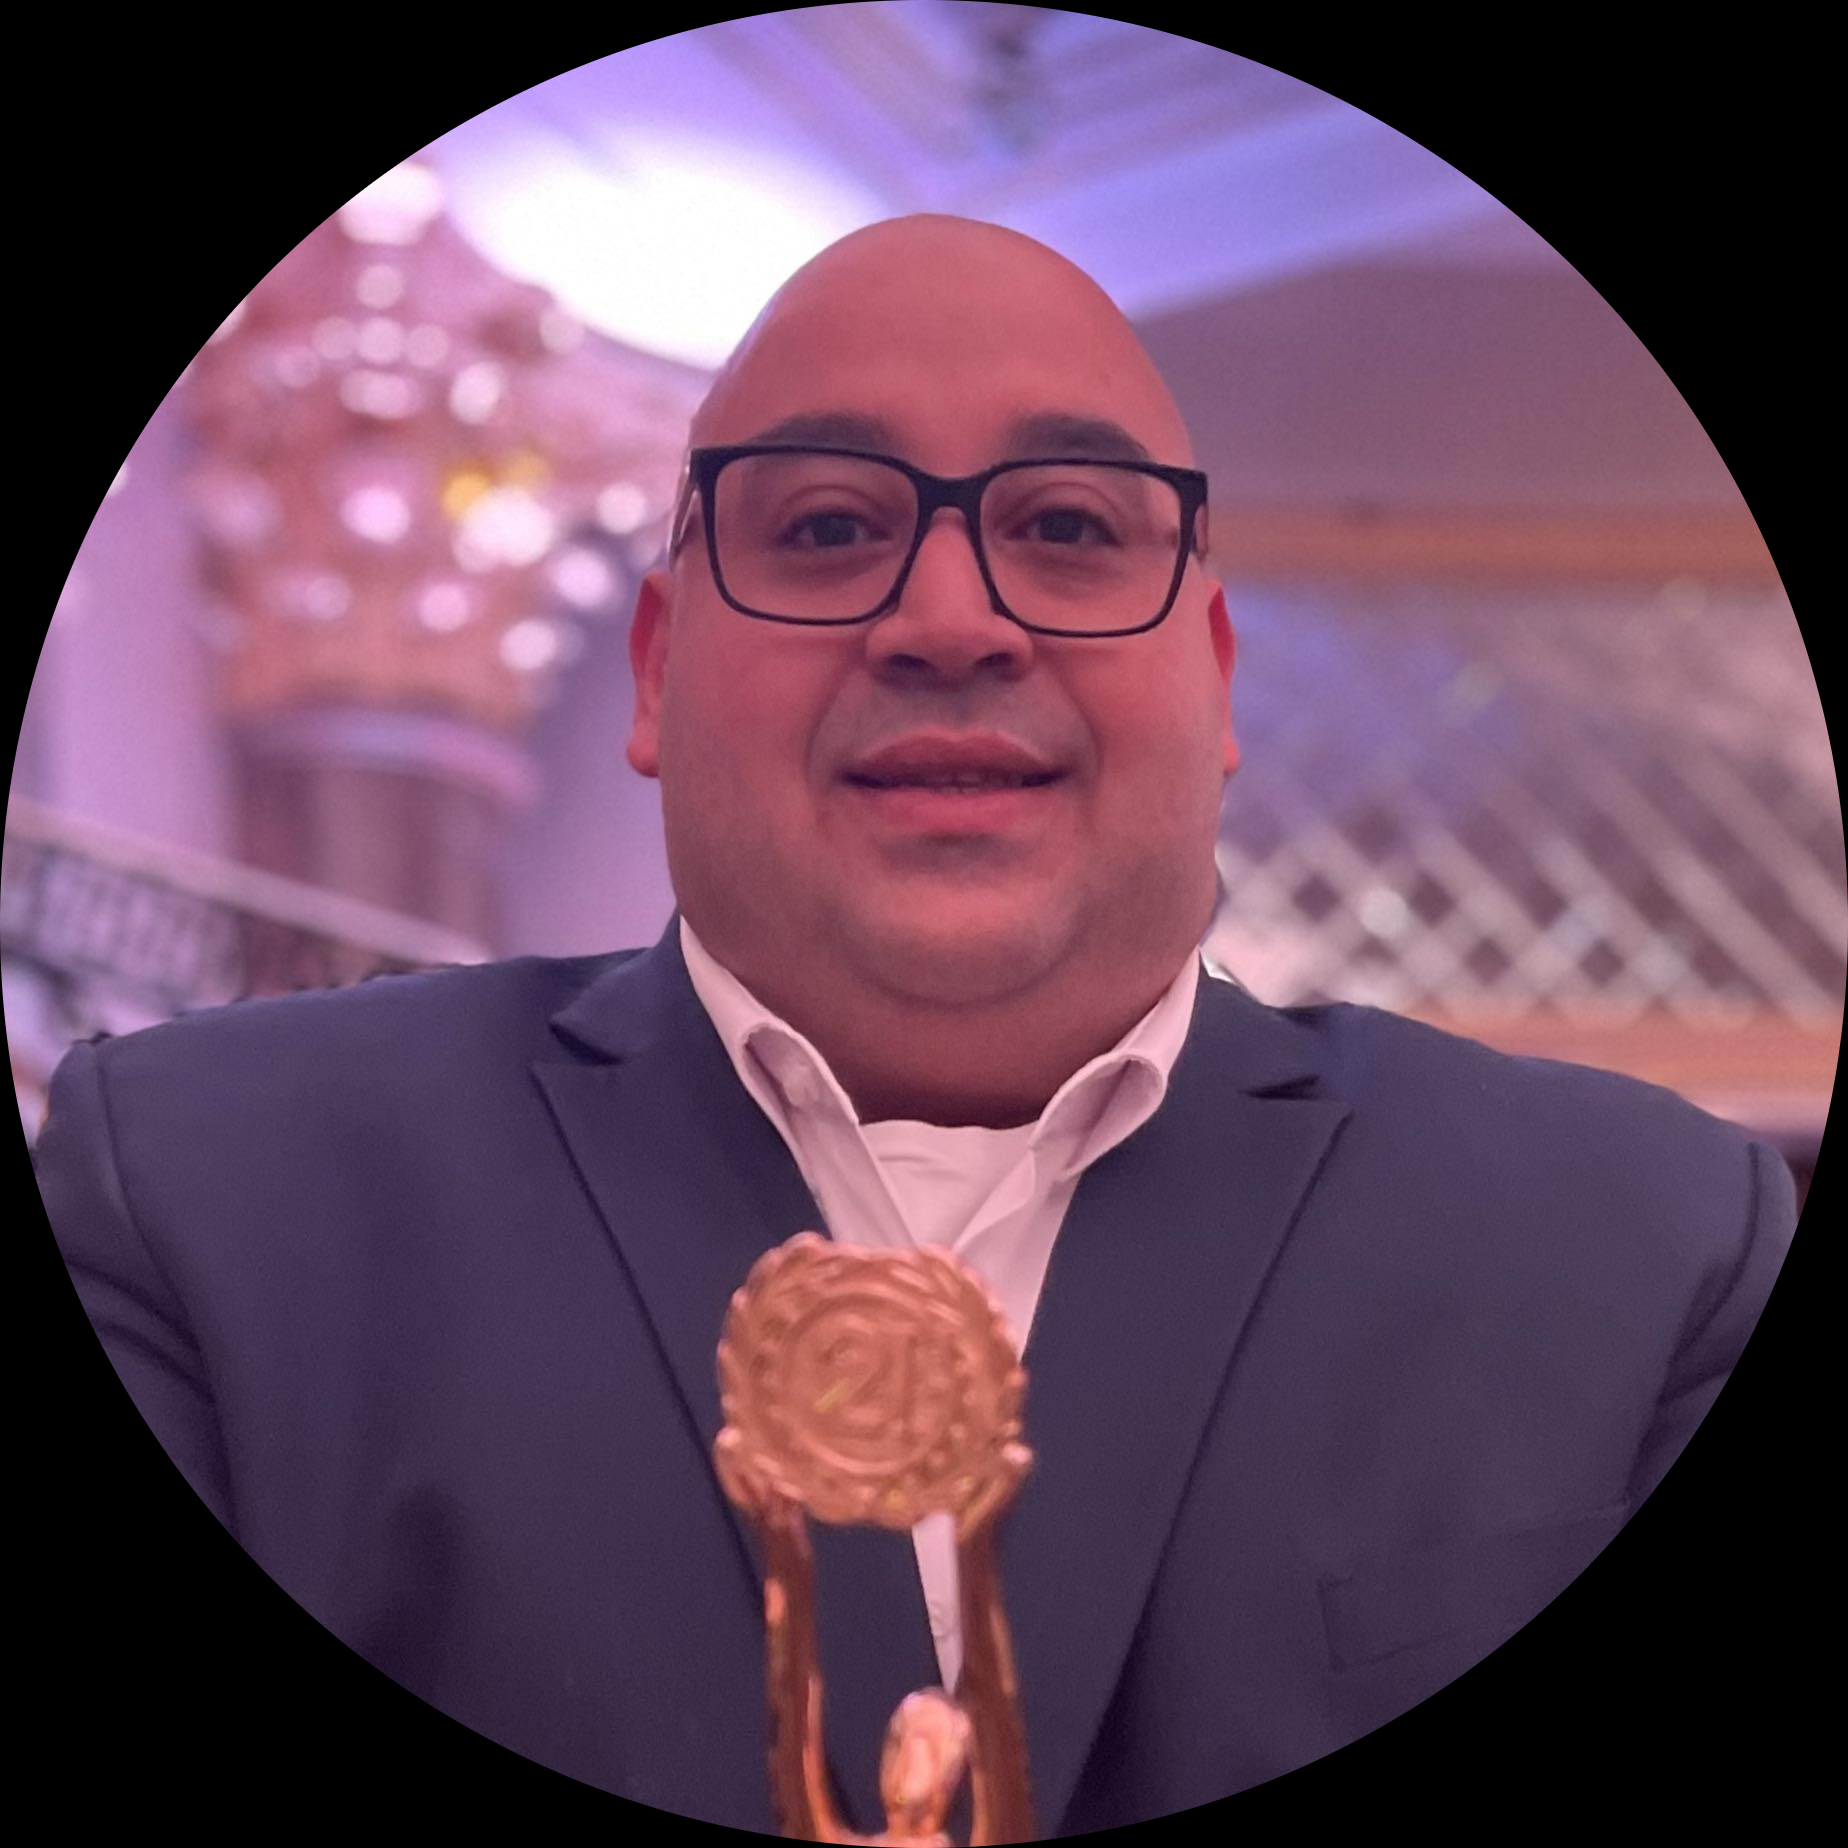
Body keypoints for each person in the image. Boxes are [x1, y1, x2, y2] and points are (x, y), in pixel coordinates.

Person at [37, 215, 1794, 1837]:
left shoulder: (1639, 1255)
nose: (951, 622)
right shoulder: (214, 1206)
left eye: (1068, 530)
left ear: (1215, 677)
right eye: (826, 527)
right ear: (656, 669)